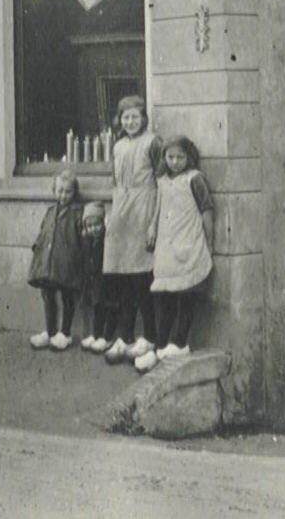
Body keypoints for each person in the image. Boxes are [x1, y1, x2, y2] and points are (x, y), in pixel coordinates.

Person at [134, 135, 214, 373]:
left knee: (185, 295)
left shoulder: (195, 179)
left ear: (189, 157)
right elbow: (159, 207)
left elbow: (207, 210)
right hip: (167, 247)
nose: (175, 162)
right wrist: (152, 227)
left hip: (188, 243)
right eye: (171, 157)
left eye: (180, 157)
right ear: (164, 157)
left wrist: (210, 242)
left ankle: (179, 343)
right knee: (165, 297)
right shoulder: (162, 180)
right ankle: (160, 346)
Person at [102, 94, 161, 365]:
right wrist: (112, 214)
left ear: (143, 119)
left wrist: (154, 223)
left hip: (143, 207)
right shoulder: (118, 146)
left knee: (142, 276)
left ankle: (149, 336)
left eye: (135, 116)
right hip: (122, 209)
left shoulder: (153, 142)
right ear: (120, 120)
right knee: (123, 276)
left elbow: (161, 183)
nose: (130, 121)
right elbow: (114, 181)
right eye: (125, 117)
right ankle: (124, 337)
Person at [27, 167, 83, 350]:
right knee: (48, 296)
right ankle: (50, 331)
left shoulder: (77, 213)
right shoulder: (50, 211)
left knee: (67, 296)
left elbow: (80, 238)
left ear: (74, 192)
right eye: (60, 191)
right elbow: (43, 231)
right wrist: (37, 246)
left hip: (66, 263)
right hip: (49, 263)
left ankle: (65, 333)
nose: (63, 195)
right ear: (54, 190)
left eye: (68, 192)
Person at [79, 201, 118, 353]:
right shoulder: (88, 241)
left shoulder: (106, 240)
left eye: (97, 224)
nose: (94, 229)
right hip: (95, 282)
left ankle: (108, 337)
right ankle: (97, 335)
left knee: (110, 308)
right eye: (89, 226)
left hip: (108, 281)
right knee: (98, 309)